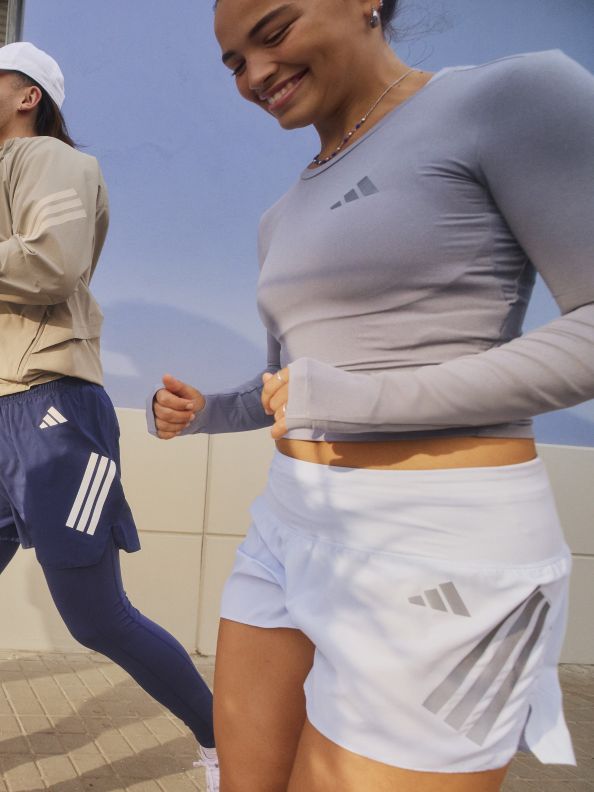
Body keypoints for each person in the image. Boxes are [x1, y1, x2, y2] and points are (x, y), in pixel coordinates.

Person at [150, 1, 594, 789]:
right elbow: (298, 385)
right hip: (287, 528)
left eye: (273, 32)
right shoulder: (278, 216)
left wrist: (358, 402)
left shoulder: (513, 95)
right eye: (232, 64)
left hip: (439, 548)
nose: (253, 75)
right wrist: (207, 412)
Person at [0, 42, 219, 791]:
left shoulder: (54, 161)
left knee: (95, 619)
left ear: (27, 94)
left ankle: (228, 740)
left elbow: (51, 263)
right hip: (2, 409)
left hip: (54, 408)